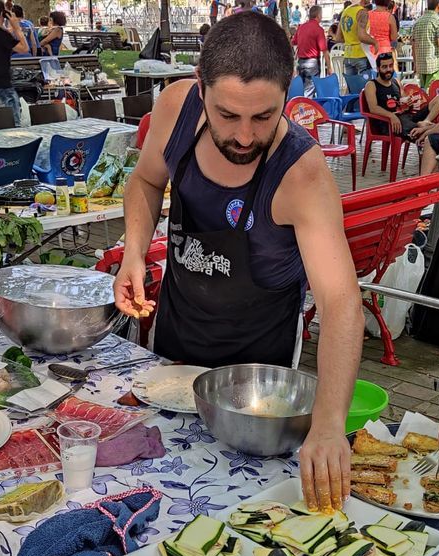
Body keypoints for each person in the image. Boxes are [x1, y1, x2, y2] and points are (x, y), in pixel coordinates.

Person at [116, 12, 363, 511]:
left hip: (256, 397)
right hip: (172, 357)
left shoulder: (303, 175)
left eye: (263, 117)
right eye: (228, 115)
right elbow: (145, 182)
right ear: (200, 88)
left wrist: (329, 424)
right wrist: (134, 252)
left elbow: (341, 306)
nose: (246, 136)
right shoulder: (175, 109)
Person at [362, 52, 430, 140]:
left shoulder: (396, 82)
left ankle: (425, 124)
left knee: (437, 101)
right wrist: (391, 116)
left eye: (390, 66)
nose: (388, 69)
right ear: (378, 69)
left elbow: (404, 102)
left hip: (405, 117)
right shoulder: (371, 85)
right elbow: (373, 108)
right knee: (422, 133)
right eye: (384, 67)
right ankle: (423, 127)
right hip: (388, 123)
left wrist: (408, 103)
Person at [293, 4, 331, 95]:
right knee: (309, 91)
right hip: (312, 63)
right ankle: (305, 107)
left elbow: (294, 42)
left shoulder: (301, 27)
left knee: (302, 89)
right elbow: (324, 50)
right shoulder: (318, 29)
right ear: (318, 15)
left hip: (301, 62)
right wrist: (329, 67)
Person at [411, 0, 439, 89]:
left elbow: (413, 45)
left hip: (421, 65)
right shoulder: (438, 20)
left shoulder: (418, 21)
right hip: (434, 65)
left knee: (424, 94)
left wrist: (415, 64)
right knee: (433, 94)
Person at [336, 0, 375, 76]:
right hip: (361, 54)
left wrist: (350, 39)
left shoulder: (345, 11)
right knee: (365, 86)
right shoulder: (362, 12)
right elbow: (362, 36)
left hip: (348, 55)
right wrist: (375, 42)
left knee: (352, 85)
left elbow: (338, 38)